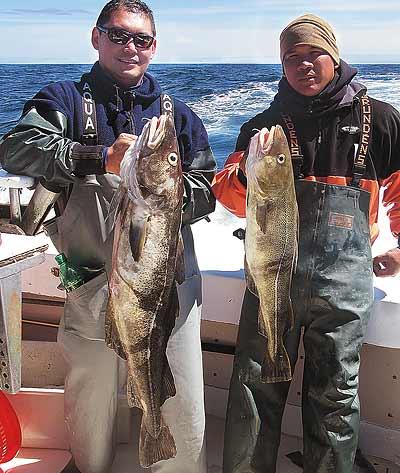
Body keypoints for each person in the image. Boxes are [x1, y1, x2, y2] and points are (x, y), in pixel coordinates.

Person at [0, 1, 216, 472]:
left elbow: (207, 190)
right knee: (92, 392)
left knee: (177, 391)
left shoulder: (178, 116)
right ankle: (89, 464)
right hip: (93, 278)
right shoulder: (63, 99)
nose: (130, 47)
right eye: (118, 35)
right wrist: (95, 157)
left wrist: (162, 192)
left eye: (141, 39)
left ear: (154, 48)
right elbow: (17, 149)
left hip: (166, 285)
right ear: (96, 38)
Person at [212, 13, 400, 473]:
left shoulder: (383, 121)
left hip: (345, 289)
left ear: (333, 55)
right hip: (272, 279)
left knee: (335, 396)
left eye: (313, 52)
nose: (304, 64)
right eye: (291, 57)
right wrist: (245, 173)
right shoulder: (265, 126)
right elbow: (228, 197)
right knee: (253, 391)